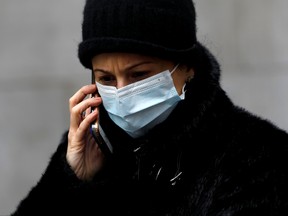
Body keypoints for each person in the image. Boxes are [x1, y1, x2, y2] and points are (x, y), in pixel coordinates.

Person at [10, 0, 288, 215]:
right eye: (106, 78)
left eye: (139, 75)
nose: (121, 92)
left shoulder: (258, 155)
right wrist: (70, 179)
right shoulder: (91, 148)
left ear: (188, 68)